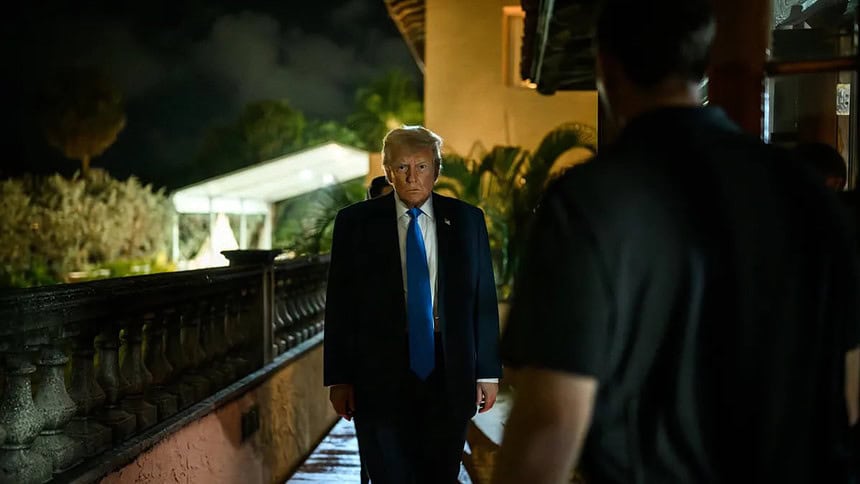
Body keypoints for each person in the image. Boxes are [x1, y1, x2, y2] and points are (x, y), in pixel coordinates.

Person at [495, 0, 860, 482]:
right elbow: (849, 390)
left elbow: (552, 421)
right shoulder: (808, 193)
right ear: (703, 63)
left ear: (606, 67)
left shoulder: (589, 201)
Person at [324, 126, 502, 483]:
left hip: (449, 367)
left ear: (436, 170)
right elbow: (341, 303)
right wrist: (340, 378)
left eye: (421, 166)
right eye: (402, 167)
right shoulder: (355, 223)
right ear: (388, 171)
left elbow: (483, 298)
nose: (412, 176)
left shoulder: (467, 220)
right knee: (388, 472)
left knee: (441, 473)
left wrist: (486, 372)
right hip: (379, 370)